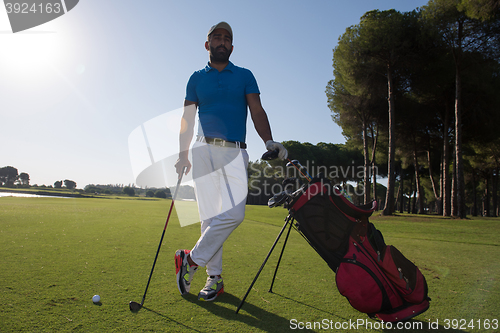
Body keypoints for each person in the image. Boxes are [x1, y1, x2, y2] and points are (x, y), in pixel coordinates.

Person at [174, 21, 288, 301]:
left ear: (232, 47)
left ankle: (190, 261)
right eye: (216, 37)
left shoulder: (245, 75)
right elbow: (187, 119)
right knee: (209, 219)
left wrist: (269, 140)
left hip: (235, 152)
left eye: (227, 38)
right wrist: (182, 154)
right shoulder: (196, 78)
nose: (222, 41)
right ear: (207, 44)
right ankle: (214, 279)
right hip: (203, 150)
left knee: (235, 214)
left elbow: (257, 110)